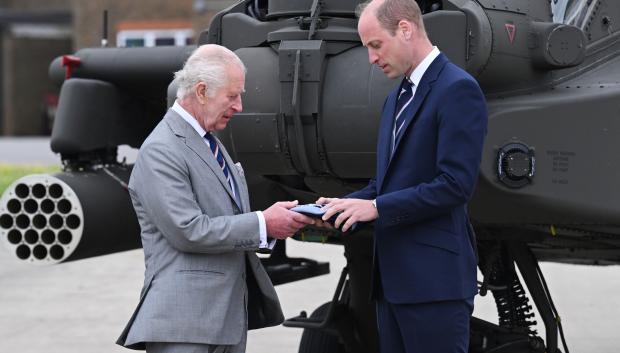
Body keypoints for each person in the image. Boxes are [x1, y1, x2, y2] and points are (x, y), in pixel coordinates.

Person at [116, 44, 314, 353]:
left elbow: (225, 217)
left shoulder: (209, 142)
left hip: (224, 320)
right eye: (232, 96)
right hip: (186, 324)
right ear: (202, 91)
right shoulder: (162, 149)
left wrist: (279, 222)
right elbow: (188, 231)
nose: (239, 106)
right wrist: (263, 223)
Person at [318, 0, 488, 352]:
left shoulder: (458, 89)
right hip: (392, 285)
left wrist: (378, 208)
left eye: (376, 45)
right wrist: (346, 204)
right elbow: (389, 185)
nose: (372, 59)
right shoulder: (397, 96)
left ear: (406, 30)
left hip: (434, 285)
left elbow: (455, 185)